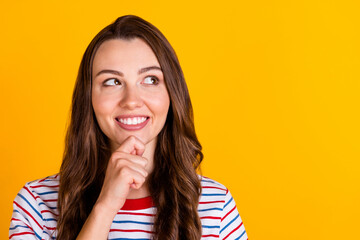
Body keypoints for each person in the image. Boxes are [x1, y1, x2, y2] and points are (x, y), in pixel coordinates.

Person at [9, 15, 248, 240]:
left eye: (151, 79)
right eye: (112, 81)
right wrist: (105, 207)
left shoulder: (216, 205)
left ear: (172, 94)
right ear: (88, 98)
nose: (131, 100)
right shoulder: (37, 205)